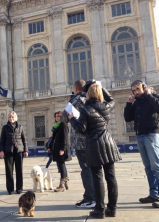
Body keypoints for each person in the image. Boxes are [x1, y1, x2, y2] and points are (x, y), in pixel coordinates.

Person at [69, 84, 121, 218]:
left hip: (94, 145)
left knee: (98, 178)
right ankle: (112, 209)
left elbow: (82, 129)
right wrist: (100, 86)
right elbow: (111, 99)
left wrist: (72, 119)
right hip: (108, 144)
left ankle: (99, 210)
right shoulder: (107, 106)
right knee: (111, 178)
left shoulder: (85, 110)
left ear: (88, 94)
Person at [124, 80, 159, 208]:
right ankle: (154, 194)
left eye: (138, 89)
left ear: (145, 88)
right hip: (140, 135)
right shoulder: (136, 102)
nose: (135, 92)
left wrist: (150, 94)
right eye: (133, 90)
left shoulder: (155, 98)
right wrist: (129, 104)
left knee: (156, 165)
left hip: (151, 135)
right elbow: (128, 118)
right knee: (148, 167)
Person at [61, 80, 95, 208]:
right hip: (92, 138)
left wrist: (70, 102)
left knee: (86, 170)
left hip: (80, 140)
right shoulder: (92, 99)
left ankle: (90, 198)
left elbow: (64, 117)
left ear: (75, 88)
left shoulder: (76, 100)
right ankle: (94, 197)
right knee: (93, 169)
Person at [0, 111, 28, 195]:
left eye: (13, 117)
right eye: (10, 117)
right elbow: (2, 140)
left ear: (16, 118)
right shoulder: (5, 127)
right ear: (8, 118)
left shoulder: (20, 127)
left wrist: (25, 150)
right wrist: (1, 151)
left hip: (19, 150)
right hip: (8, 151)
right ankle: (10, 189)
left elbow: (24, 139)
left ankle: (19, 188)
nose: (11, 118)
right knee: (9, 171)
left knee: (19, 170)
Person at [48, 111, 72, 192]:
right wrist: (50, 147)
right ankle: (64, 183)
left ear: (62, 117)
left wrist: (63, 149)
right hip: (57, 148)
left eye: (58, 116)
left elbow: (65, 138)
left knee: (61, 165)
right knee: (61, 165)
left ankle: (62, 184)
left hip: (61, 149)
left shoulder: (63, 125)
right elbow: (53, 138)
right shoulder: (56, 126)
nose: (57, 118)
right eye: (56, 116)